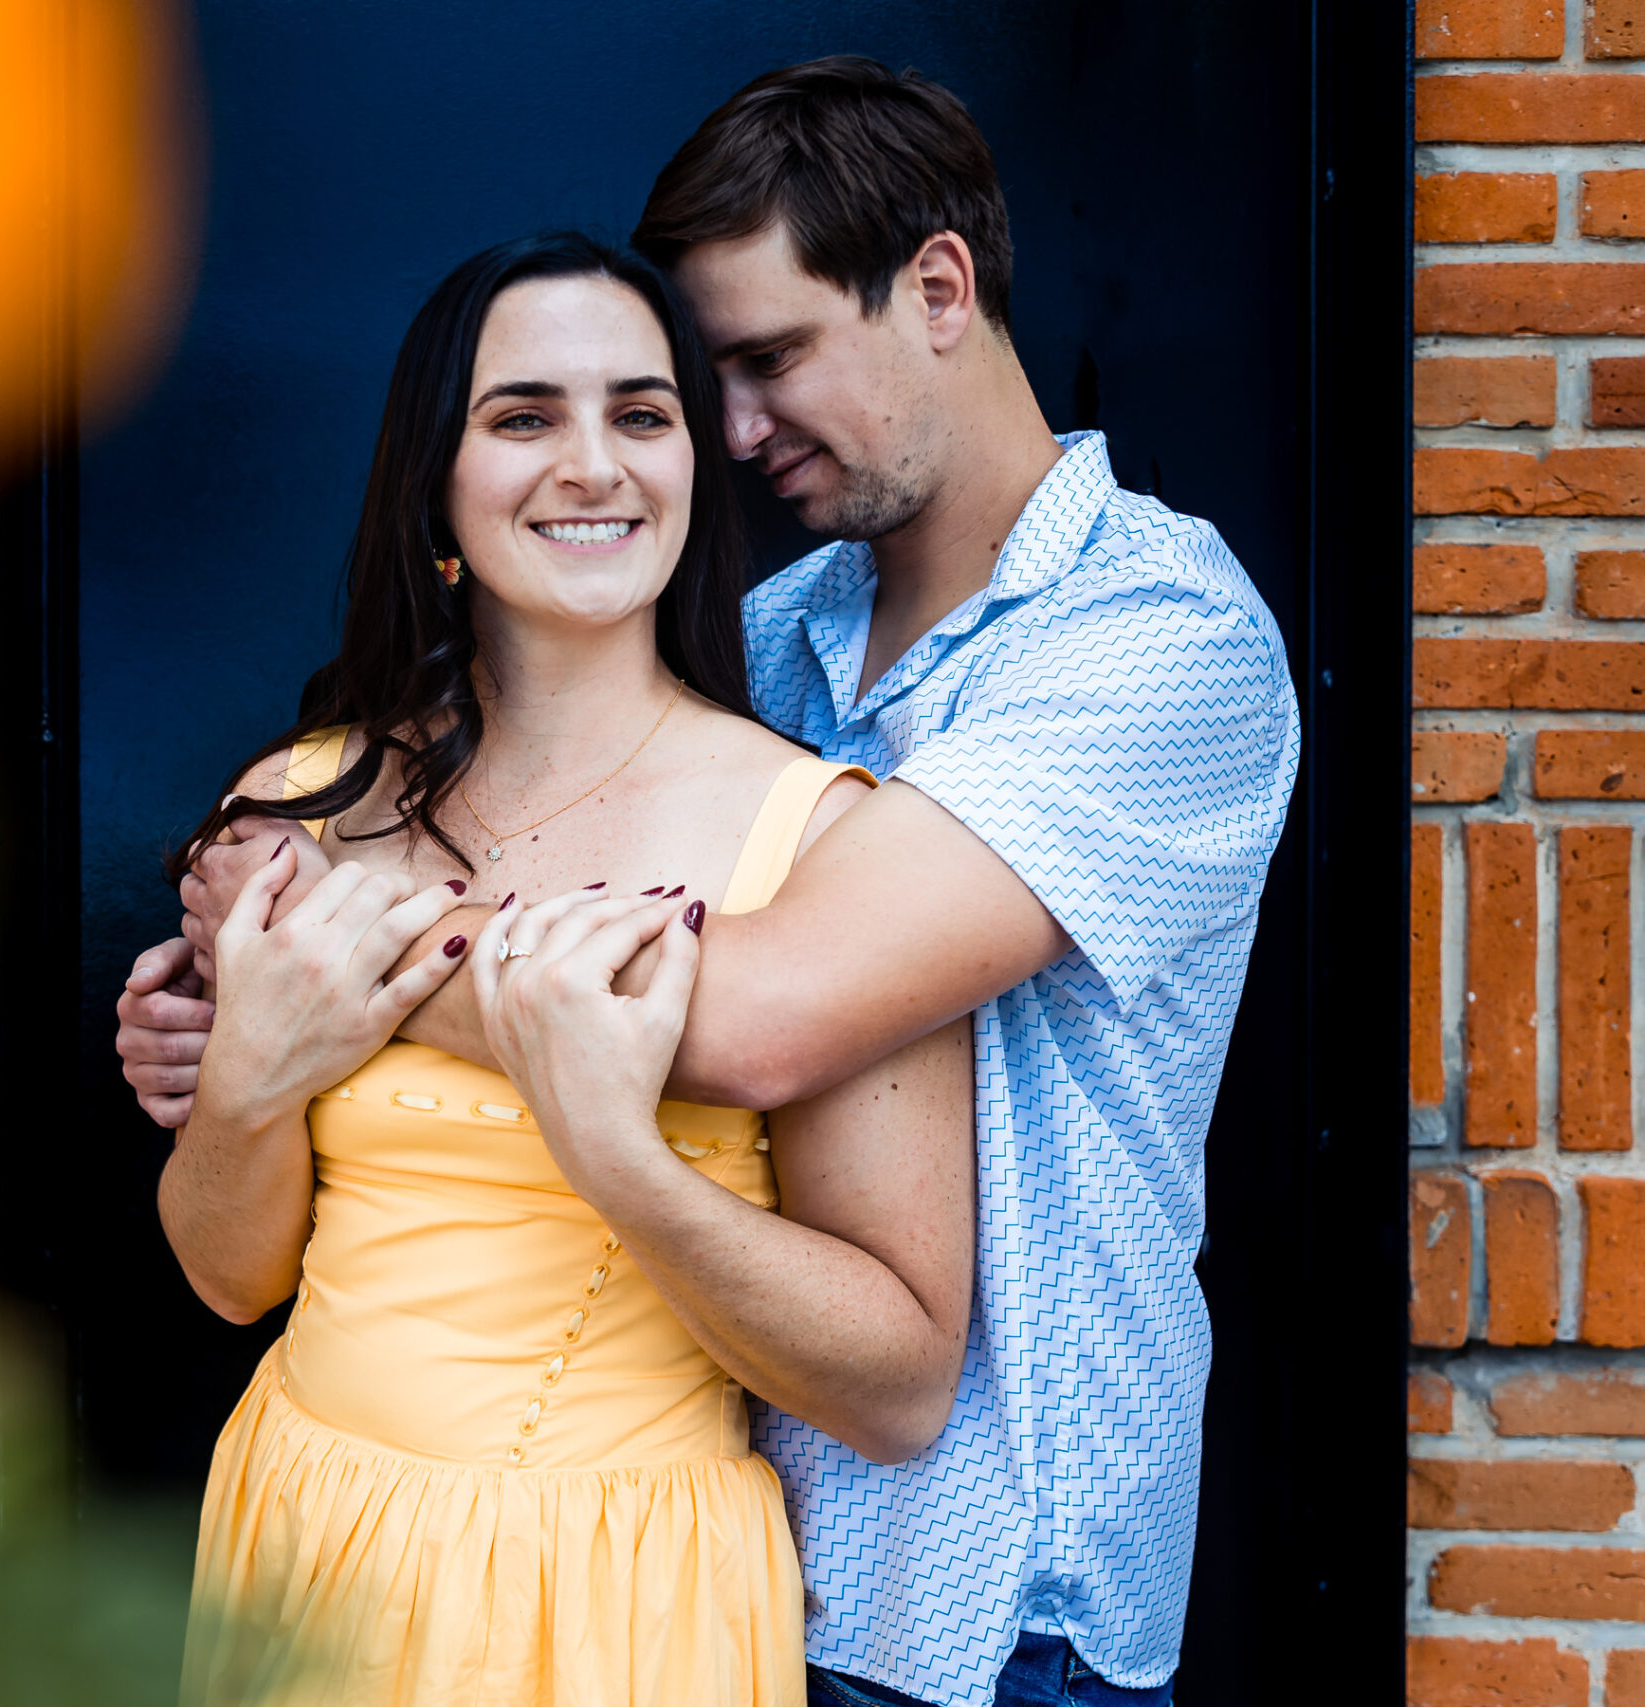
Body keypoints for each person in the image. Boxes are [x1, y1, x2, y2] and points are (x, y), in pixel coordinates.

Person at [120, 58, 1299, 1707]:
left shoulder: (1156, 641)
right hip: (696, 1549)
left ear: (940, 289)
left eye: (760, 364)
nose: (731, 438)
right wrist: (237, 1032)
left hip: (983, 1601)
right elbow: (541, 784)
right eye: (708, 385)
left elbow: (750, 1015)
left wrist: (314, 944)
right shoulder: (776, 639)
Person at [160, 230, 976, 1707]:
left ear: (689, 471)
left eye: (642, 414)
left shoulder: (816, 840)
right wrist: (246, 1092)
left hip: (614, 1600)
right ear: (438, 489)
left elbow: (900, 1383)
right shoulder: (304, 802)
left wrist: (621, 1155)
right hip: (306, 1541)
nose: (593, 464)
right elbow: (231, 1283)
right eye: (524, 416)